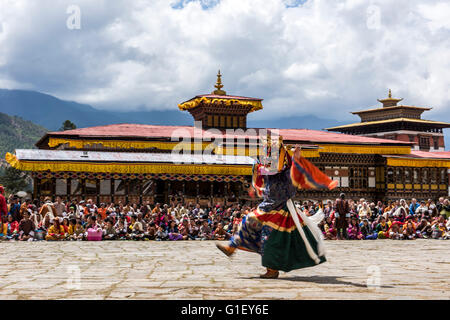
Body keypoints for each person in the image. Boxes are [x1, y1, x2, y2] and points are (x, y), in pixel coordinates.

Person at [216, 134, 337, 279]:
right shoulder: (271, 160)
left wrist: (295, 155)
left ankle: (241, 251)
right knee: (265, 234)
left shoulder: (283, 161)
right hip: (272, 203)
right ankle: (235, 248)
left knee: (260, 228)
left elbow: (278, 169)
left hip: (278, 203)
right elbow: (265, 170)